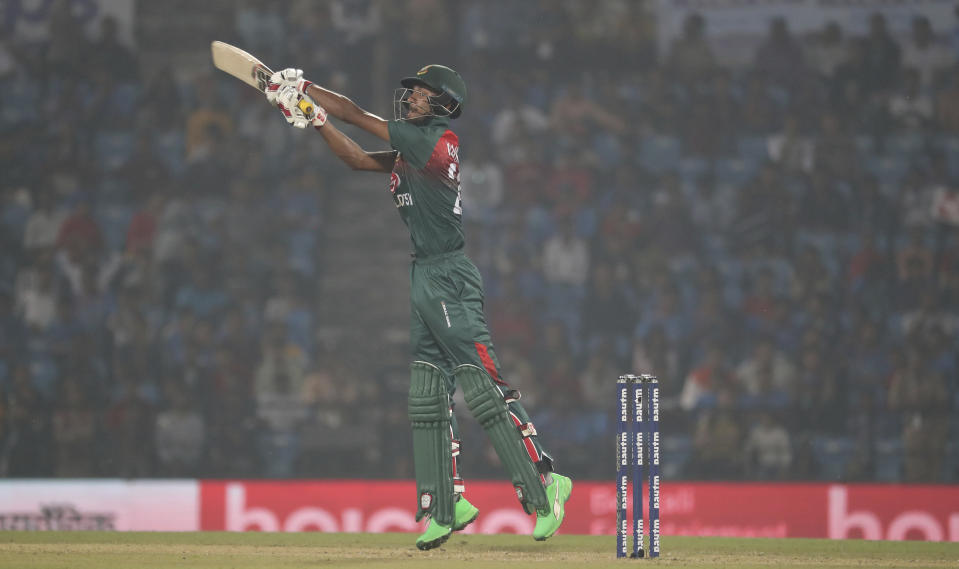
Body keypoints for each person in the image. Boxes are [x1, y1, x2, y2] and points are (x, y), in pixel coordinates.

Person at [262, 65, 572, 550]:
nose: (411, 99)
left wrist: (305, 90)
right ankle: (445, 505)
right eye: (412, 92)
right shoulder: (412, 146)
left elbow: (358, 116)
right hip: (425, 274)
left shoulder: (436, 140)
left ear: (444, 105)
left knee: (481, 386)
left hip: (449, 274)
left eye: (423, 94)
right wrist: (315, 119)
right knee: (427, 392)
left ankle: (545, 484)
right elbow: (359, 161)